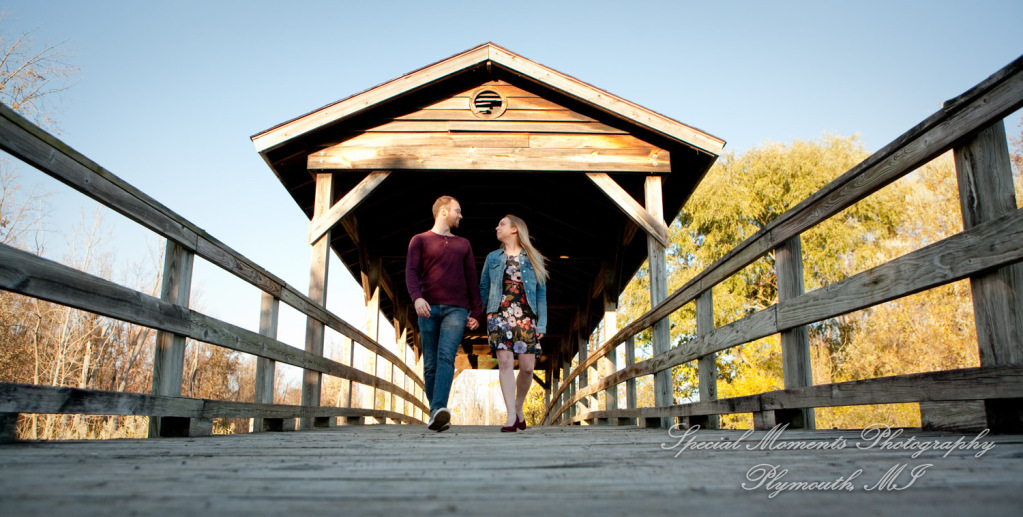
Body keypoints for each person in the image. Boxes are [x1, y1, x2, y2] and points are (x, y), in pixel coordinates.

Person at [406, 195, 482, 432]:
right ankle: (436, 413)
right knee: (430, 364)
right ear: (443, 212)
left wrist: (477, 312)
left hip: (457, 310)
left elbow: (472, 280)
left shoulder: (464, 245)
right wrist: (417, 297)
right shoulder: (419, 240)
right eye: (457, 211)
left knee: (446, 357)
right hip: (428, 308)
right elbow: (411, 272)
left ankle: (438, 408)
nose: (461, 215)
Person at [479, 215, 548, 432]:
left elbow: (541, 295)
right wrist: (479, 314)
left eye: (501, 224)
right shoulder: (492, 258)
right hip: (499, 315)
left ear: (515, 229)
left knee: (528, 369)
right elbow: (483, 288)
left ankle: (518, 408)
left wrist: (542, 324)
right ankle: (510, 415)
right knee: (505, 363)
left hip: (526, 316)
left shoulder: (533, 257)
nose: (497, 227)